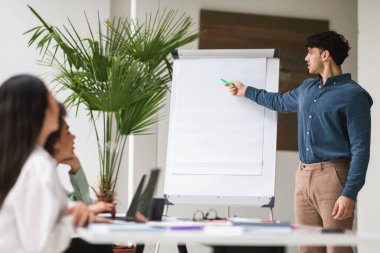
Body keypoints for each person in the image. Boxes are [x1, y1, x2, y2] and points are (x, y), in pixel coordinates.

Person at [227, 31, 372, 253]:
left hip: (333, 177)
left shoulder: (354, 95)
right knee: (307, 249)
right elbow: (278, 101)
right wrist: (246, 90)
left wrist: (349, 193)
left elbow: (361, 149)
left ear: (325, 55)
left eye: (310, 53)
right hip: (303, 176)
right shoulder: (307, 88)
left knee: (337, 249)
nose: (306, 58)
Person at [0, 74, 91, 252]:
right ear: (39, 111)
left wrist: (74, 210)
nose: (57, 104)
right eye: (50, 98)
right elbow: (42, 246)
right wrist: (71, 221)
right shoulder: (37, 166)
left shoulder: (20, 162)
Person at [44, 103, 115, 215]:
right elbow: (51, 217)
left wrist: (76, 167)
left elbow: (81, 205)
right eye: (67, 132)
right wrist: (88, 210)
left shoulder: (49, 176)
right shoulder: (39, 176)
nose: (73, 137)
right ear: (54, 142)